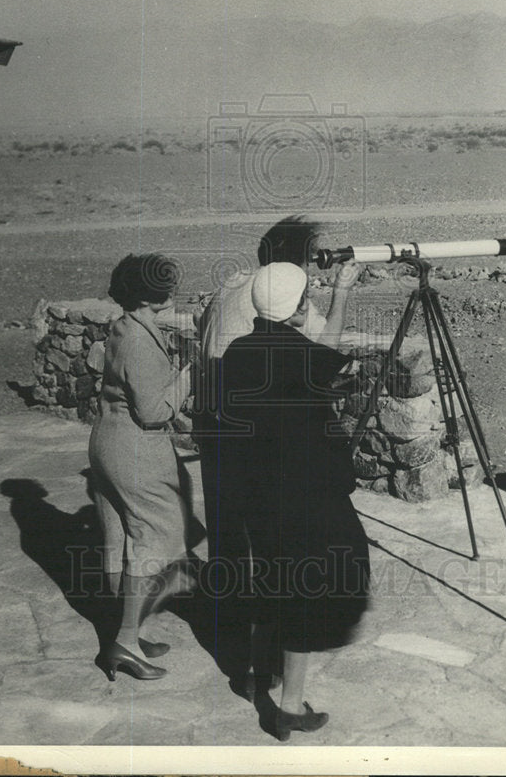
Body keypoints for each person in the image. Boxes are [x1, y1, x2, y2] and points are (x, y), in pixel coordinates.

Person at [217, 260, 370, 741]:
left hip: (256, 492)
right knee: (311, 588)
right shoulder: (298, 356)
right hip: (306, 495)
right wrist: (342, 293)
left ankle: (260, 673)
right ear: (297, 306)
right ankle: (289, 706)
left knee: (271, 576)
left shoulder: (239, 352)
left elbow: (307, 362)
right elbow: (327, 355)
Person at [193, 216, 328, 683]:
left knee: (230, 541)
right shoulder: (284, 302)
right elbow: (322, 353)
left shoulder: (230, 287)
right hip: (255, 440)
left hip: (214, 424)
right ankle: (261, 663)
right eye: (311, 262)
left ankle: (230, 637)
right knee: (272, 554)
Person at [88, 253, 192, 681]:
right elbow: (153, 412)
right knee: (153, 545)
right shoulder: (138, 340)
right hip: (136, 449)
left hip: (107, 443)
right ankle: (126, 642)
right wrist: (190, 375)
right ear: (154, 297)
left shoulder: (123, 327)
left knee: (122, 542)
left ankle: (123, 632)